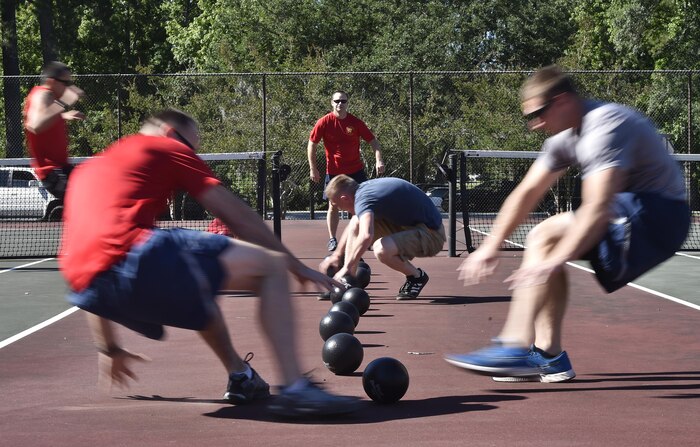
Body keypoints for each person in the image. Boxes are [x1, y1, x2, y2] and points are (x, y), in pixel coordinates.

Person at [59, 109, 360, 418]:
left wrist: (108, 347)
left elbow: (92, 262)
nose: (191, 153)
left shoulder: (87, 172)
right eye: (191, 146)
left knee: (197, 285)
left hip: (90, 287)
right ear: (170, 132)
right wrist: (296, 266)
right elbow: (236, 215)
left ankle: (240, 375)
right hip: (137, 255)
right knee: (270, 267)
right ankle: (297, 390)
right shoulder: (165, 146)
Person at [445, 66, 690, 382]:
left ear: (561, 102)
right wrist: (490, 246)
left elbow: (597, 208)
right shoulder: (563, 139)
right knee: (544, 243)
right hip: (631, 212)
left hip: (661, 217)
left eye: (538, 114)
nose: (535, 125)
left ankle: (515, 344)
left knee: (546, 237)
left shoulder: (605, 126)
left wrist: (553, 262)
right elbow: (526, 193)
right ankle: (549, 356)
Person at [320, 175, 446, 300]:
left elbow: (366, 236)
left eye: (338, 206)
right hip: (411, 226)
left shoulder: (363, 199)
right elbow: (354, 226)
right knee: (356, 221)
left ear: (344, 198)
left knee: (381, 249)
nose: (340, 209)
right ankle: (349, 280)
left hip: (432, 235)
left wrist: (346, 267)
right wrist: (336, 255)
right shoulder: (361, 190)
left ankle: (416, 277)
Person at [307, 90, 385, 252]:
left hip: (355, 170)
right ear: (331, 103)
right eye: (336, 101)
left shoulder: (355, 123)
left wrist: (379, 159)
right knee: (333, 205)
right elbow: (312, 144)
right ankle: (332, 239)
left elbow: (373, 142)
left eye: (343, 101)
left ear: (347, 103)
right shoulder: (324, 122)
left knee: (360, 205)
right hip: (334, 171)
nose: (339, 104)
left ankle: (359, 237)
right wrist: (313, 168)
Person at [23, 61, 85, 200]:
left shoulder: (51, 98)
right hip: (52, 171)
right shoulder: (43, 95)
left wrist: (64, 115)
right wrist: (64, 101)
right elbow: (35, 125)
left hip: (61, 167)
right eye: (65, 83)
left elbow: (45, 116)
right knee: (84, 201)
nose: (69, 87)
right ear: (52, 81)